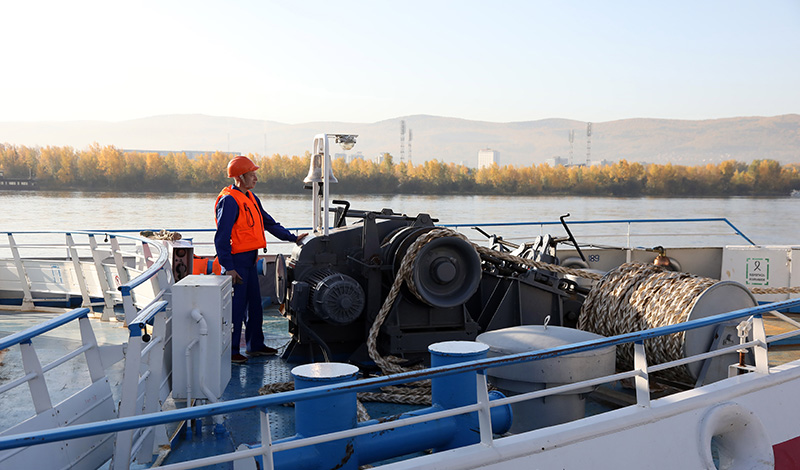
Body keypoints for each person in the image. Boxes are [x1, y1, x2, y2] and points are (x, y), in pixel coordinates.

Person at [215, 156, 307, 364]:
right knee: (236, 308)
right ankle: (231, 352)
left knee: (254, 305)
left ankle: (255, 346)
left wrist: (292, 237)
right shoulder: (229, 201)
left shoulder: (251, 198)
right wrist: (228, 267)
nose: (256, 177)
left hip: (250, 260)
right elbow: (221, 237)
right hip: (236, 263)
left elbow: (269, 223)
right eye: (252, 174)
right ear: (240, 177)